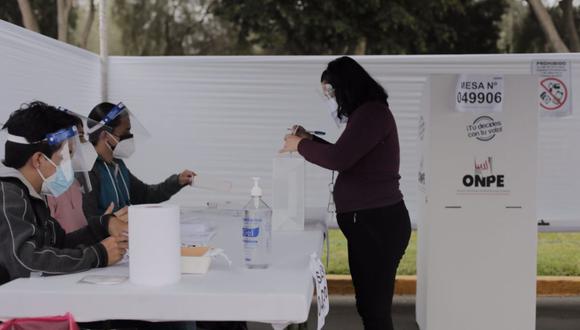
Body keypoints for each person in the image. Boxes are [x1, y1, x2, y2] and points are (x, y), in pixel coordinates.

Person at [280, 56, 411, 330]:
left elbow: (340, 158)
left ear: (347, 87)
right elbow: (349, 155)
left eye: (333, 92)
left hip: (377, 225)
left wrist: (300, 146)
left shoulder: (372, 114)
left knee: (375, 310)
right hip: (372, 225)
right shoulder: (367, 115)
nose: (333, 100)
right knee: (369, 306)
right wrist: (309, 140)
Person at [0, 102, 126, 285]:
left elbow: (58, 243)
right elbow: (24, 262)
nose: (70, 166)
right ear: (39, 160)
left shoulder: (31, 193)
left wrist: (103, 226)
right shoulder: (7, 194)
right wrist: (98, 255)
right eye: (66, 156)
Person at [82, 102, 195, 218]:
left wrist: (177, 181)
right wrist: (111, 222)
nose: (130, 136)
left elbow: (146, 195)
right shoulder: (88, 170)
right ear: (105, 135)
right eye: (125, 132)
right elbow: (88, 221)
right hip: (110, 236)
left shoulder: (117, 165)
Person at [46, 107, 128, 235]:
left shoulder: (75, 183)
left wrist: (105, 223)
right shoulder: (46, 190)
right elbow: (52, 247)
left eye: (82, 136)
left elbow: (83, 231)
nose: (83, 143)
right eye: (77, 137)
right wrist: (104, 225)